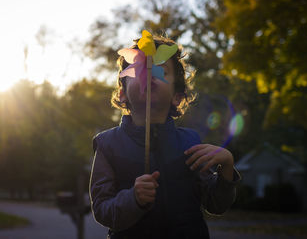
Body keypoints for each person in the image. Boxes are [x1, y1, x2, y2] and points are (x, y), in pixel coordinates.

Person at [89, 33, 241, 239]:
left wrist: (227, 169)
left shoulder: (190, 142)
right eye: (139, 69)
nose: (150, 71)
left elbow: (215, 204)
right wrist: (132, 199)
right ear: (122, 93)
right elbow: (102, 209)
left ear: (177, 97)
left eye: (161, 69)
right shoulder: (107, 144)